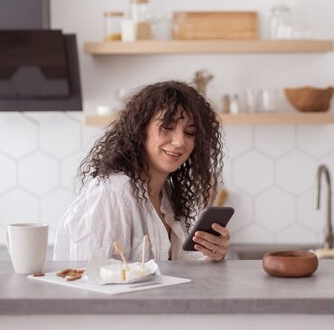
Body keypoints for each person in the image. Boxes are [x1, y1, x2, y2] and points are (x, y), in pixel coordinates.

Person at [53, 80, 230, 262]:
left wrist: (212, 256)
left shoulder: (167, 195)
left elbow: (176, 270)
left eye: (190, 133)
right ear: (140, 129)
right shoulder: (113, 192)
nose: (179, 142)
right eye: (167, 127)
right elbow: (92, 275)